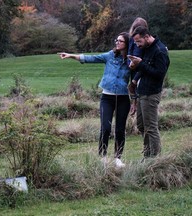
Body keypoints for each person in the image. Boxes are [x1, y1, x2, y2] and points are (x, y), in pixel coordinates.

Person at [59, 32, 132, 168]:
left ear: (127, 44)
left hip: (123, 98)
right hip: (107, 98)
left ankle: (118, 158)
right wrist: (71, 55)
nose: (117, 42)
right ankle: (103, 157)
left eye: (120, 41)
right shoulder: (110, 56)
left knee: (120, 129)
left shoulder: (130, 59)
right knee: (105, 127)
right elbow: (91, 58)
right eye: (116, 40)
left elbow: (137, 75)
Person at [128, 26, 170, 159]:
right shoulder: (146, 48)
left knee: (151, 127)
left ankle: (155, 160)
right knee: (141, 125)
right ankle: (147, 154)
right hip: (142, 91)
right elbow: (144, 67)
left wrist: (140, 64)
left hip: (151, 93)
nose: (137, 45)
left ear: (146, 37)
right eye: (135, 42)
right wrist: (134, 80)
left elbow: (159, 74)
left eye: (139, 41)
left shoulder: (160, 51)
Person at [127, 17, 149, 115]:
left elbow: (143, 56)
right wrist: (130, 63)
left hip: (141, 67)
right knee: (132, 88)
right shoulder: (132, 39)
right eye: (135, 28)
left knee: (136, 85)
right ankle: (134, 104)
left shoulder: (145, 40)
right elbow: (129, 52)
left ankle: (139, 109)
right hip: (133, 66)